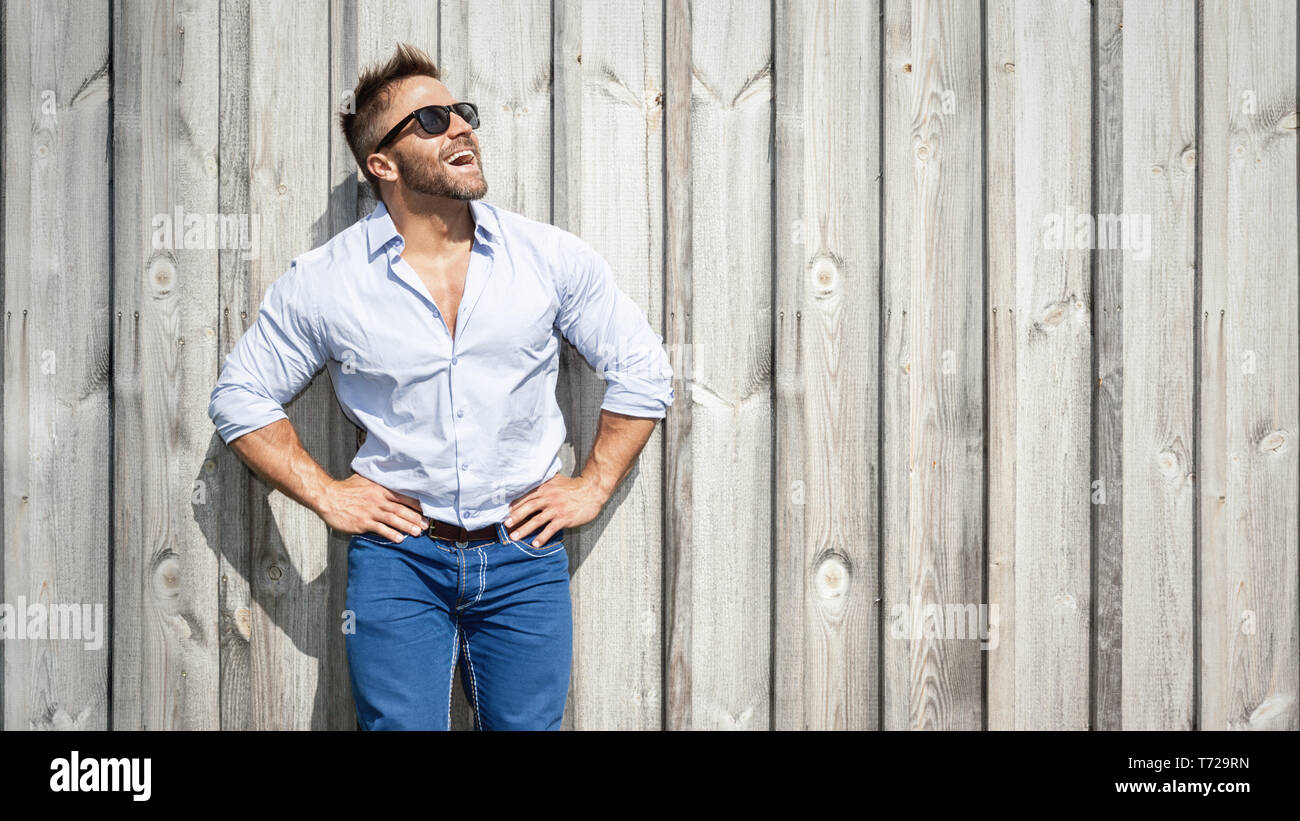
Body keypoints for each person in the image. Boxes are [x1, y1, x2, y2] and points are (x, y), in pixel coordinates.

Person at [207, 42, 674, 730]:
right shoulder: (327, 281)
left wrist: (593, 484)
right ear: (382, 164)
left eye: (461, 112)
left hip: (524, 554)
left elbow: (644, 368)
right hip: (400, 563)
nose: (459, 126)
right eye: (430, 121)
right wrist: (326, 493)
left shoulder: (546, 257)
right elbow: (239, 396)